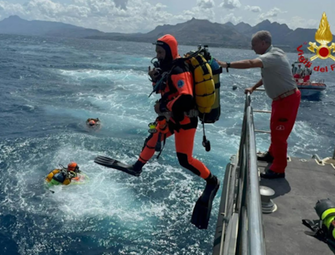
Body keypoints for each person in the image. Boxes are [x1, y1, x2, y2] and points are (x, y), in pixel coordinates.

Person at [98, 34, 220, 229]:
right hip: (171, 117)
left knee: (184, 159)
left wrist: (163, 104)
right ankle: (136, 167)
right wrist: (155, 78)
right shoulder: (168, 67)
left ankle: (212, 181)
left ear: (170, 51)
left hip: (184, 119)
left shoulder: (179, 69)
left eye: (161, 52)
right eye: (157, 51)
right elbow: (167, 87)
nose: (157, 55)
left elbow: (186, 97)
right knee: (154, 136)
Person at [217, 30, 301, 179]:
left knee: (279, 136)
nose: (252, 48)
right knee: (275, 131)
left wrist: (226, 64)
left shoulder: (273, 56)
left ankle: (278, 169)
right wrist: (253, 88)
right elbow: (270, 76)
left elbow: (250, 63)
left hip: (287, 100)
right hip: (280, 100)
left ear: (263, 43)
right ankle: (271, 155)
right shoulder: (274, 55)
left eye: (254, 44)